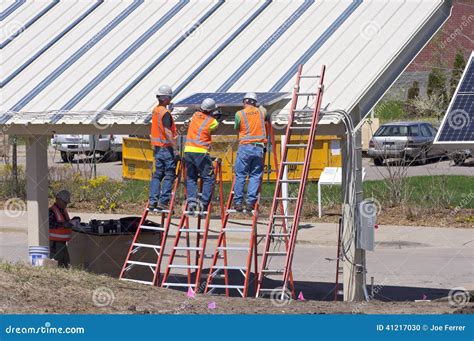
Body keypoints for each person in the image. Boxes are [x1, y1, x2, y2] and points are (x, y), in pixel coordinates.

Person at [233, 92, 269, 212]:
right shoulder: (261, 112)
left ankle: (238, 202)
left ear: (245, 101)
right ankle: (250, 203)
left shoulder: (239, 113)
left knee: (241, 175)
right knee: (255, 176)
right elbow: (265, 114)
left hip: (245, 148)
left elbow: (236, 127)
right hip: (258, 148)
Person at [184, 98, 219, 214]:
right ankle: (203, 203)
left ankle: (192, 203)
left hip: (188, 151)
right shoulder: (213, 121)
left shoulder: (194, 115)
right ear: (212, 110)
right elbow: (213, 127)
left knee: (191, 178)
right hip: (201, 152)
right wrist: (216, 117)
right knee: (208, 178)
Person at [148, 84, 178, 211]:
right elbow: (167, 131)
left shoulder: (156, 110)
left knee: (157, 175)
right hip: (166, 147)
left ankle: (152, 201)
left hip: (157, 148)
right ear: (166, 98)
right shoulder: (165, 113)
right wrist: (175, 148)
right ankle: (163, 201)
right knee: (170, 174)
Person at [49, 190, 73, 268]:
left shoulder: (63, 211)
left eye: (67, 203)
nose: (66, 205)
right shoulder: (51, 211)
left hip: (62, 243)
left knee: (66, 263)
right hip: (54, 244)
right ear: (58, 200)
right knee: (58, 264)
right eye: (65, 202)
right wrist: (63, 224)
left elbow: (66, 222)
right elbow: (49, 224)